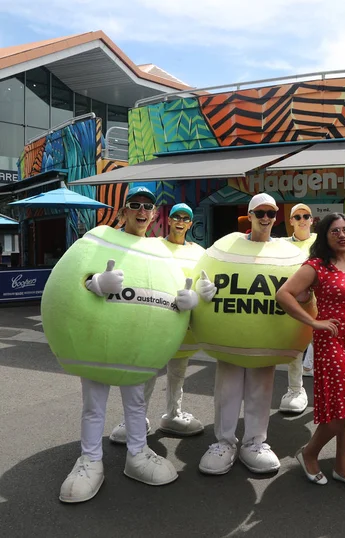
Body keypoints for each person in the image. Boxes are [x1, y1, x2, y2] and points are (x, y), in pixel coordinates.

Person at [59, 186, 197, 503]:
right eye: (134, 205)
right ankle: (90, 460)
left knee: (136, 403)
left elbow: (173, 290)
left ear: (153, 214)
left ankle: (138, 453)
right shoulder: (102, 238)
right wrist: (95, 283)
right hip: (99, 342)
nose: (141, 210)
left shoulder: (157, 250)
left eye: (147, 206)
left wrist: (186, 302)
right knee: (94, 406)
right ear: (123, 212)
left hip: (137, 347)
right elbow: (76, 278)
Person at [276, 212, 345, 490]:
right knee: (342, 408)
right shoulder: (317, 266)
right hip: (332, 342)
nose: (342, 235)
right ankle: (310, 452)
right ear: (325, 235)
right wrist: (313, 322)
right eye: (335, 231)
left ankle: (341, 467)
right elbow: (284, 294)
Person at [196, 193, 283, 475]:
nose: (266, 218)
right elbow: (204, 276)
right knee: (228, 389)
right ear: (250, 215)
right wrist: (202, 292)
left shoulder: (285, 251)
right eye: (261, 213)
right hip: (230, 337)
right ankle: (224, 442)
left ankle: (255, 442)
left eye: (271, 213)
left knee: (261, 390)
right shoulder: (226, 245)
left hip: (267, 337)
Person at [109, 203, 204, 444]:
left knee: (179, 370)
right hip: (155, 321)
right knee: (147, 371)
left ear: (190, 223)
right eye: (176, 217)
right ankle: (135, 418)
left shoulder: (199, 252)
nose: (180, 221)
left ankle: (173, 413)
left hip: (185, 323)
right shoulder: (154, 246)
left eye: (185, 218)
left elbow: (205, 282)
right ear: (168, 220)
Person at [279, 203, 316, 413]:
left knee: (327, 350)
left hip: (322, 306)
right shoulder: (281, 245)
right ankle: (295, 389)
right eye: (298, 216)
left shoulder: (322, 241)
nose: (302, 220)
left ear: (312, 219)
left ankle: (330, 392)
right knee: (294, 350)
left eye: (306, 216)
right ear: (291, 221)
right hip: (294, 305)